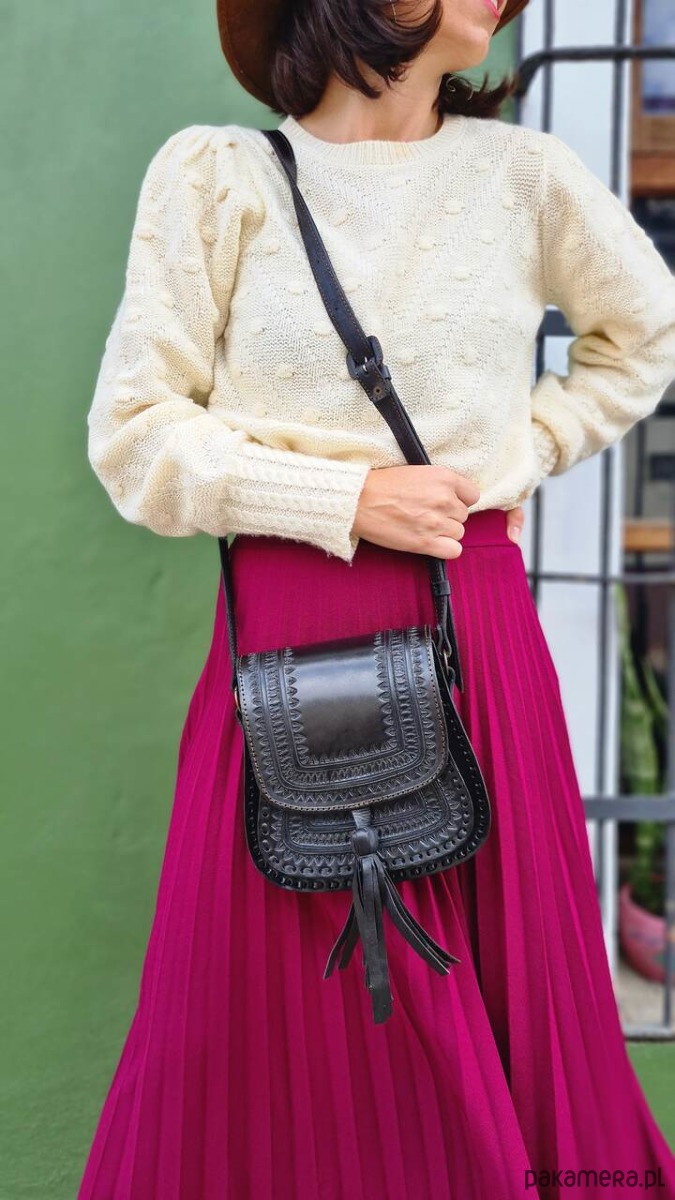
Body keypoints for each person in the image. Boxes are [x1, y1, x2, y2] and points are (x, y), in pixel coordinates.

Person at [77, 0, 675, 1195]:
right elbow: (135, 437)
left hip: (476, 635)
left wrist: (514, 455)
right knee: (259, 1016)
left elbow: (643, 338)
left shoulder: (525, 177)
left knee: (507, 986)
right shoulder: (219, 176)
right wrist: (347, 500)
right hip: (286, 648)